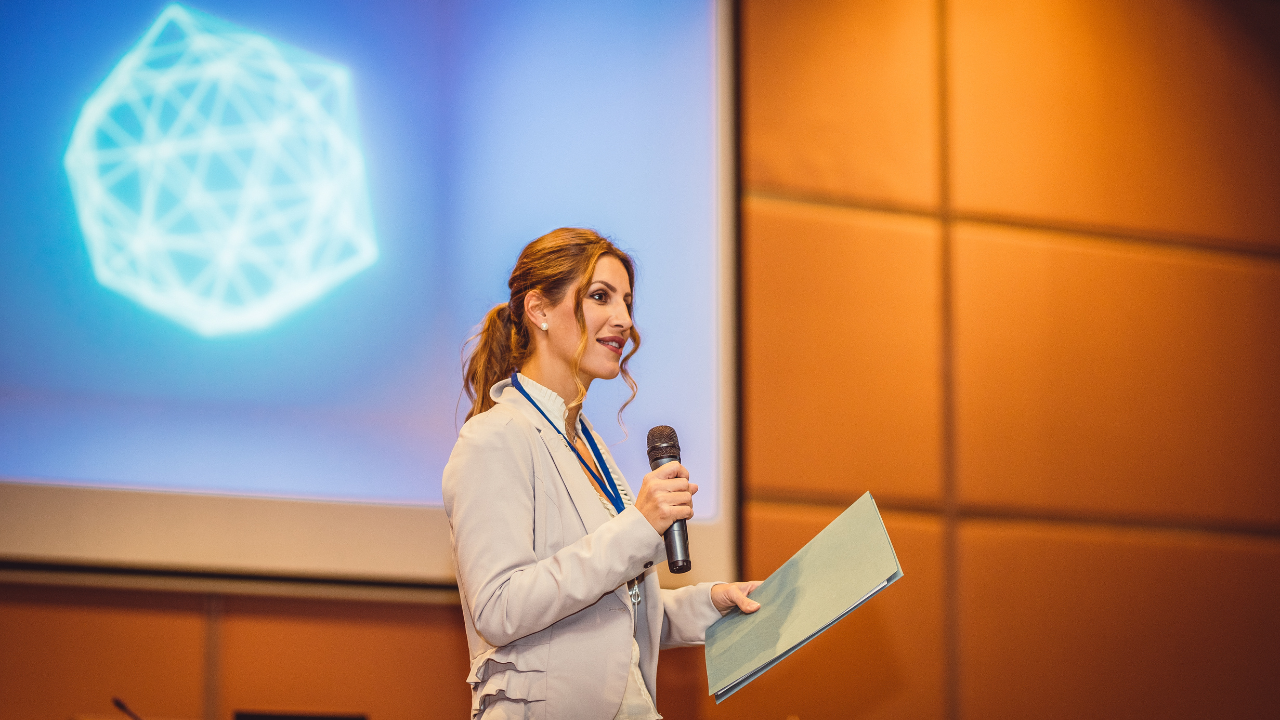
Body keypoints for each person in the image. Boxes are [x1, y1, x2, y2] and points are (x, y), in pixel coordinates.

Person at [443, 228, 761, 720]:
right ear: (538, 309)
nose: (624, 320)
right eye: (600, 297)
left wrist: (711, 604)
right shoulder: (496, 436)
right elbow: (499, 608)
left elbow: (608, 612)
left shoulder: (587, 443)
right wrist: (638, 526)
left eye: (627, 302)